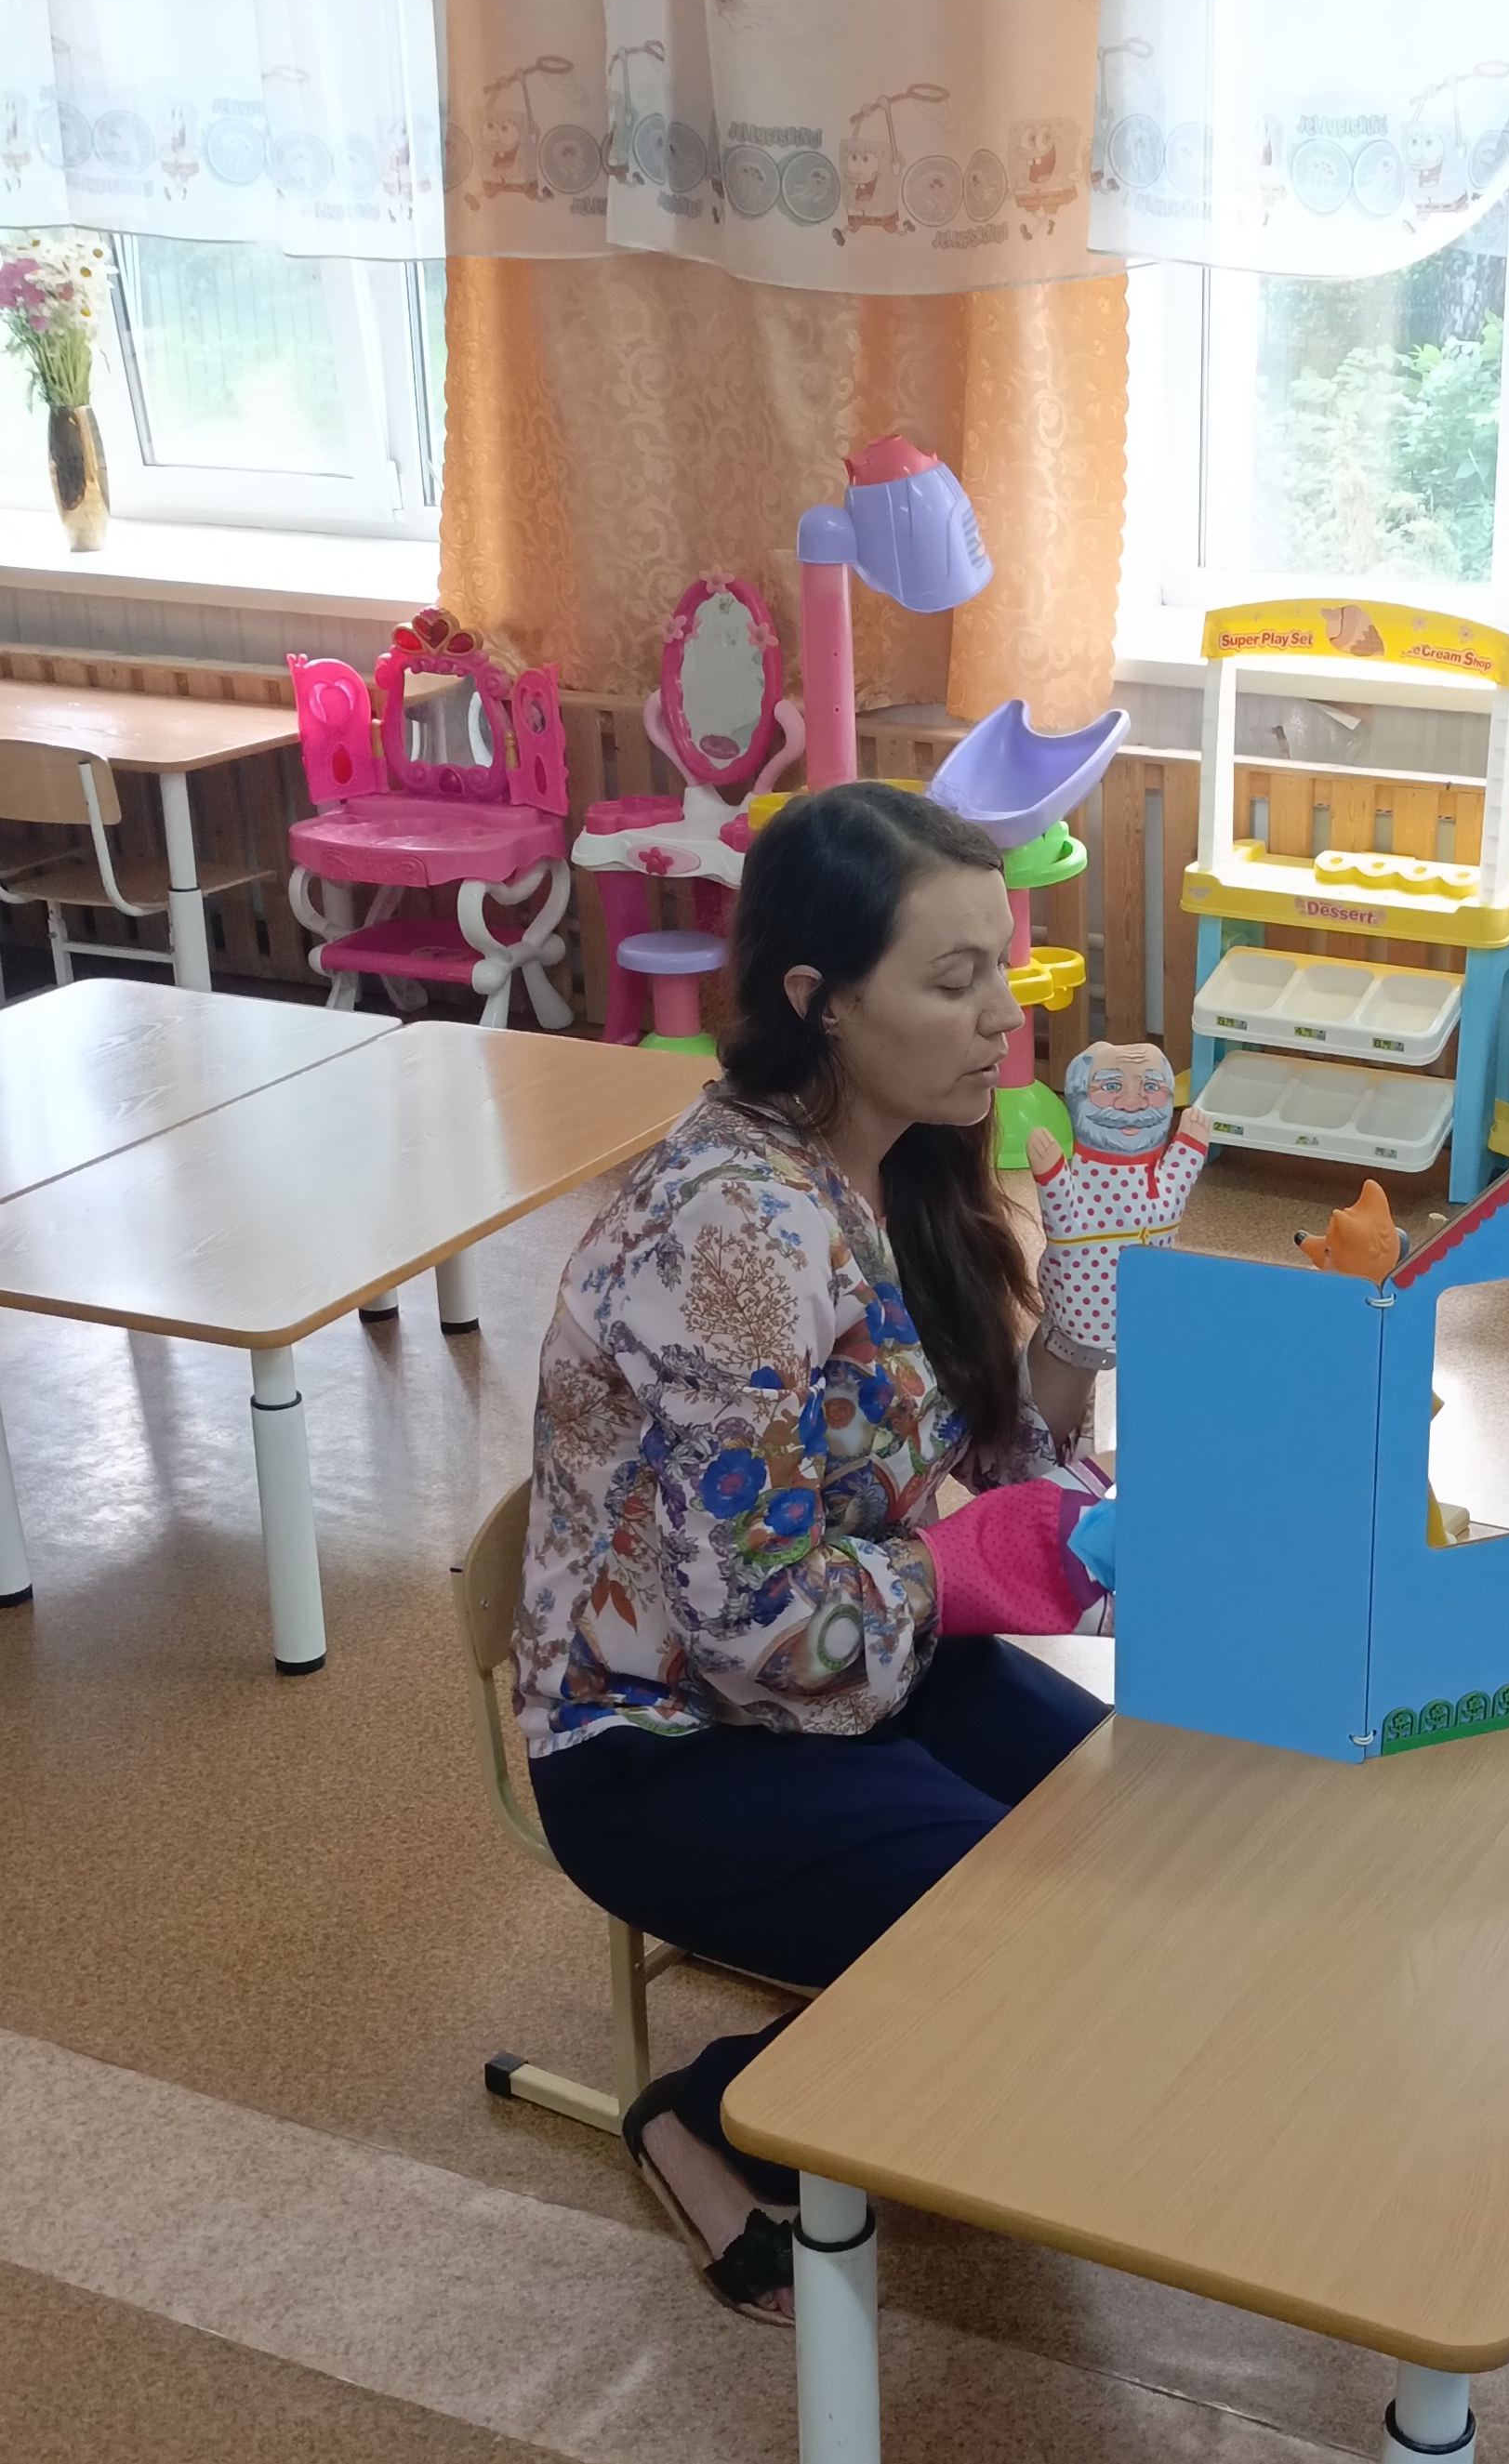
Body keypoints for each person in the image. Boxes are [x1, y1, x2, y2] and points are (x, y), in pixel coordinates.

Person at [515, 785, 1114, 2323]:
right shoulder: (740, 1229)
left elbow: (981, 1456)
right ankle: (707, 2110)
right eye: (953, 980)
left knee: (1129, 1838)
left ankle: (901, 2041)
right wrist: (976, 1567)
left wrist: (1077, 1343)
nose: (1006, 1018)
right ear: (820, 1000)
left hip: (863, 1660)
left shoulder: (900, 1155)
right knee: (1021, 1919)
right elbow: (754, 1633)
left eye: (1004, 968)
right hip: (663, 1737)